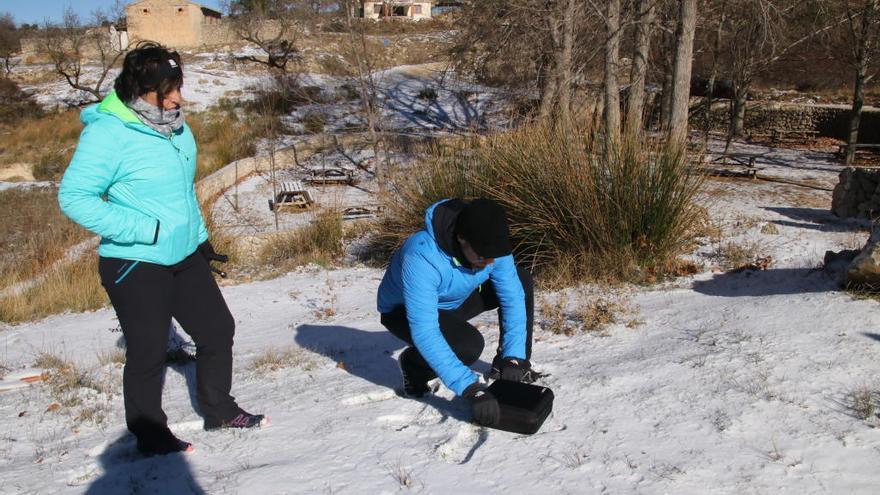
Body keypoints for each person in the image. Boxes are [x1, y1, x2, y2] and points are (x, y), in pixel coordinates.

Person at [58, 42, 265, 457]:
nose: (177, 98)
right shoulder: (109, 132)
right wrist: (144, 229)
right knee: (149, 350)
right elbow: (74, 197)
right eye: (167, 90)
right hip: (135, 259)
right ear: (141, 90)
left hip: (183, 253)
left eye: (178, 87)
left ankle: (219, 410)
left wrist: (199, 236)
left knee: (216, 329)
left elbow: (182, 192)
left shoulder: (176, 126)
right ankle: (150, 434)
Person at [377, 198, 535, 426]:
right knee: (467, 347)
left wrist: (514, 356)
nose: (490, 261)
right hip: (403, 311)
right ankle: (414, 366)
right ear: (461, 238)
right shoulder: (421, 255)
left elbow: (512, 297)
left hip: (455, 300)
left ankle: (509, 369)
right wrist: (470, 387)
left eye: (493, 256)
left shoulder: (491, 242)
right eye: (482, 256)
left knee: (521, 281)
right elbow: (425, 331)